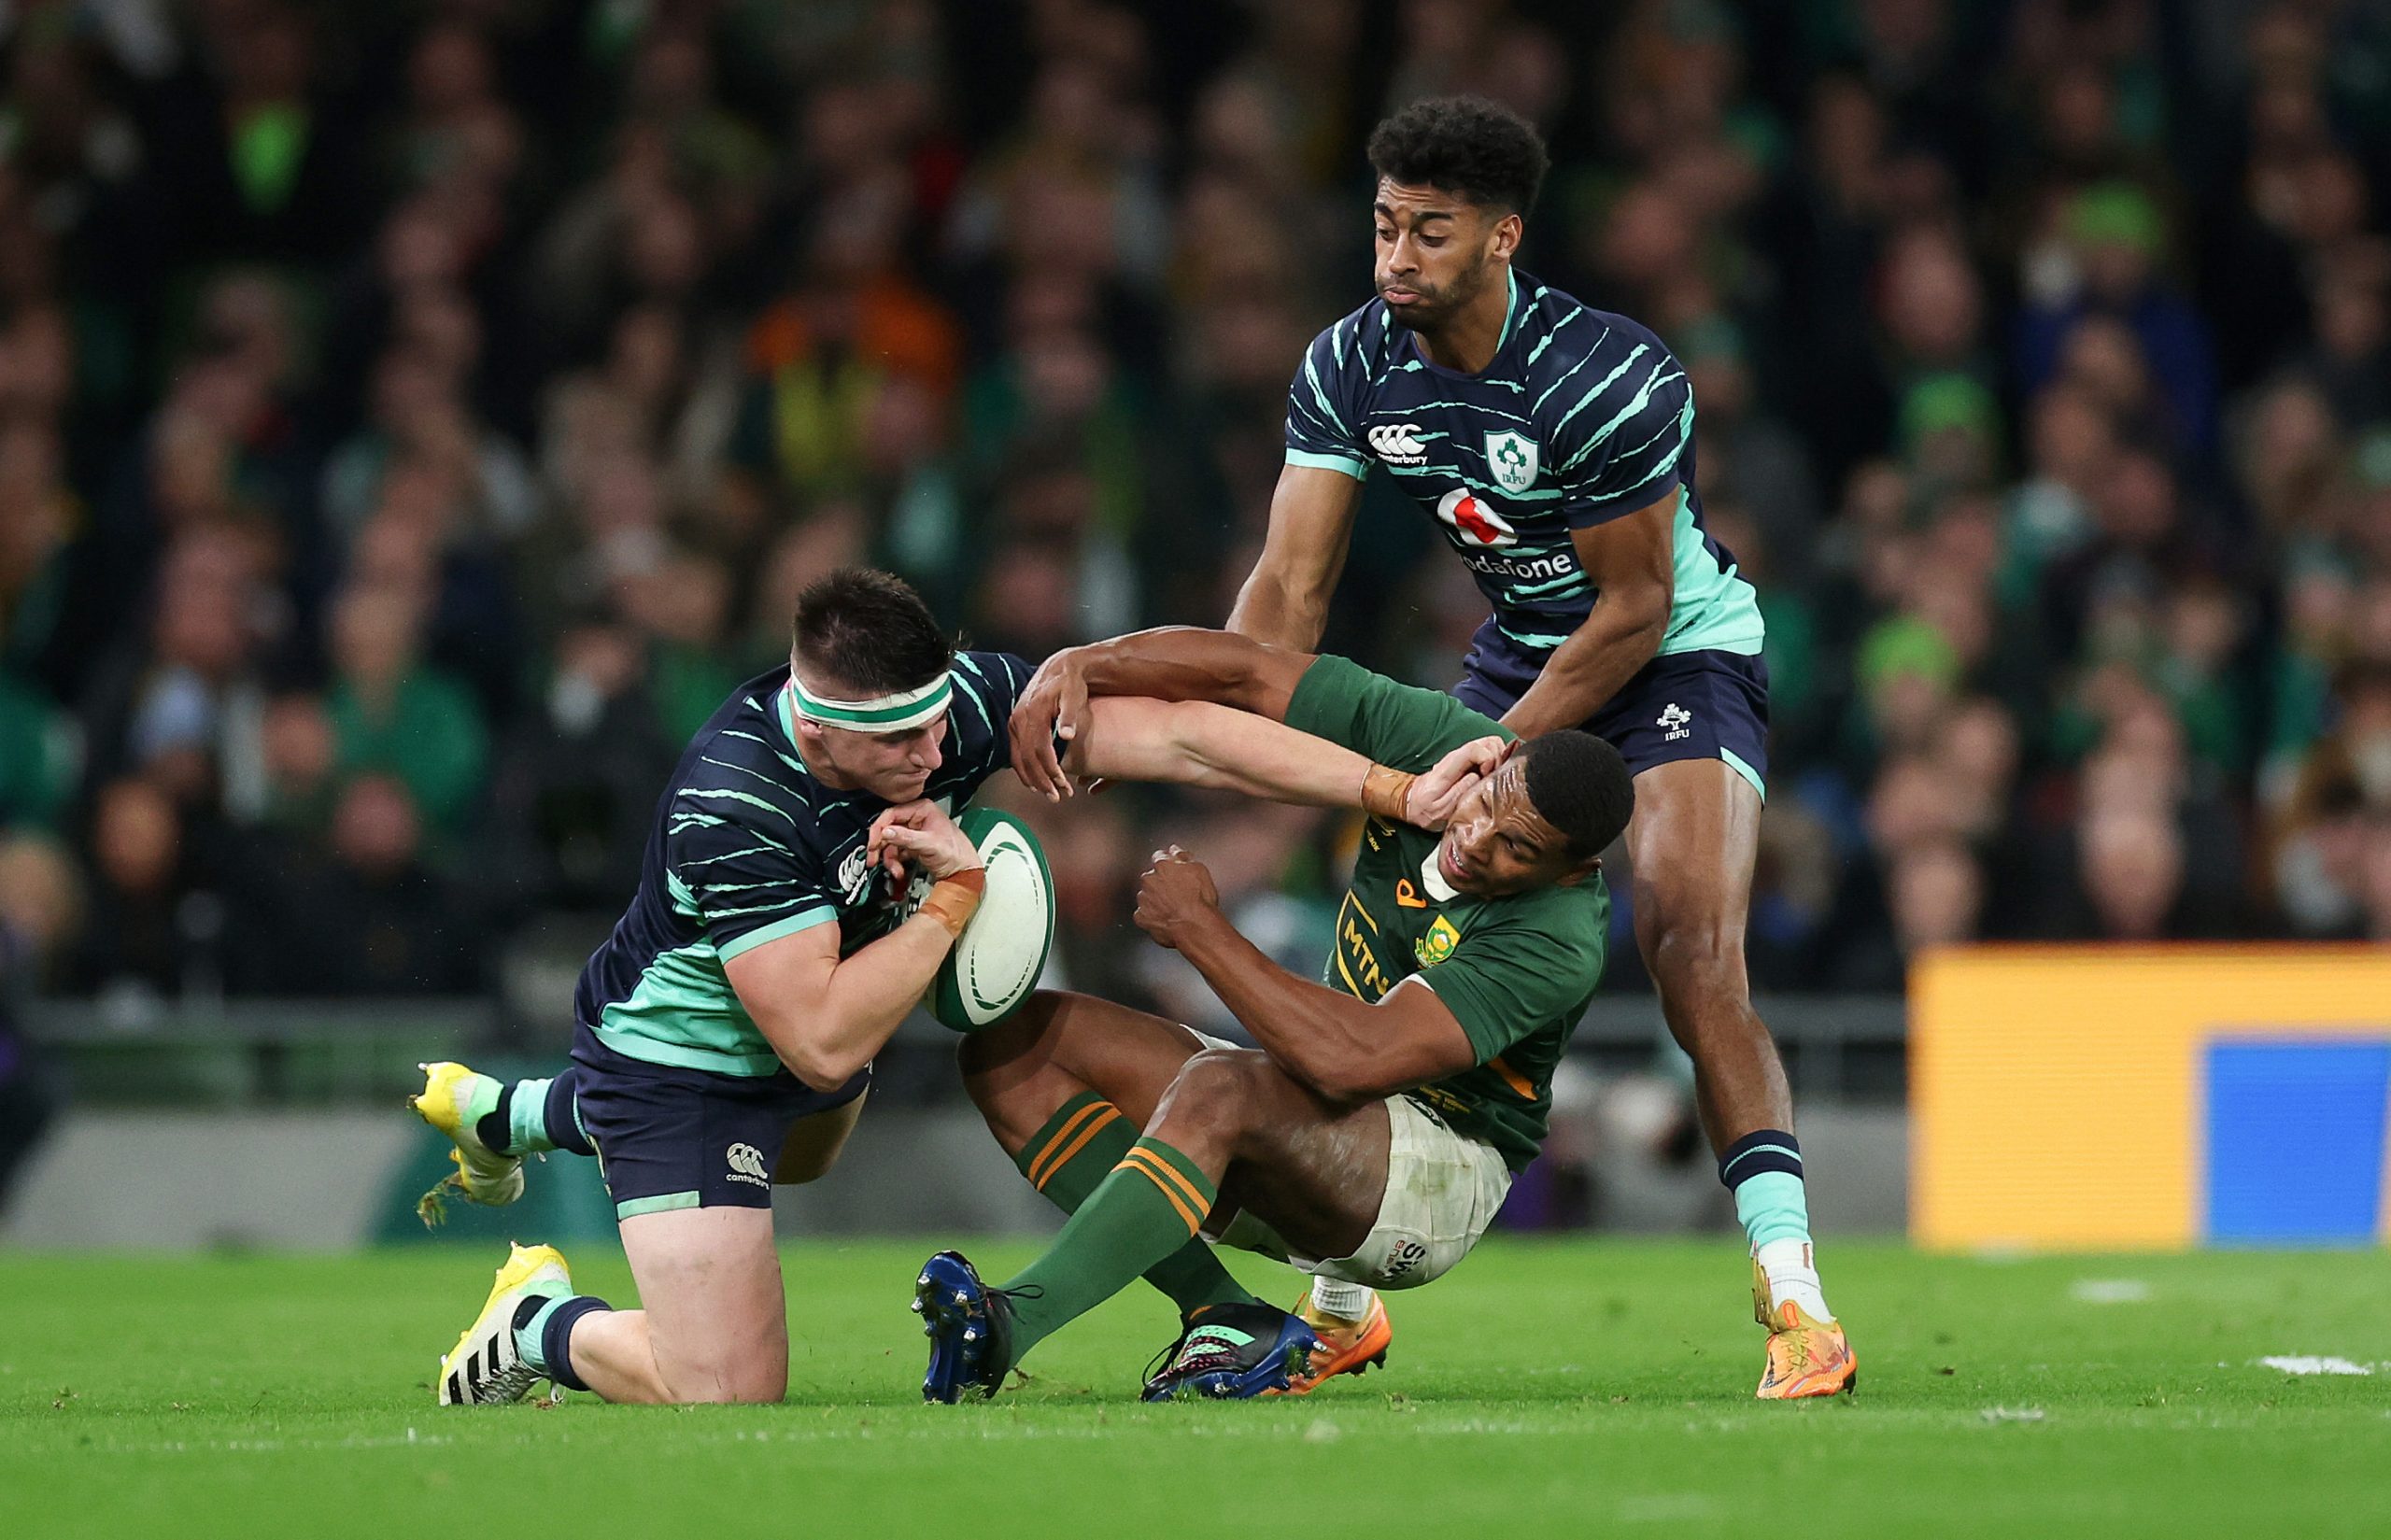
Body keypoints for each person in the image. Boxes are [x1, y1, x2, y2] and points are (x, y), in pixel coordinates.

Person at [414, 570, 1482, 1406]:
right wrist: (952, 895)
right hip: (684, 1066)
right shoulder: (733, 805)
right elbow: (823, 1043)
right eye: (899, 741)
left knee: (815, 1144)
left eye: (938, 725)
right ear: (814, 725)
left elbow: (1184, 735)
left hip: (809, 1035)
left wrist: (1390, 786)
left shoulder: (942, 710)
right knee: (725, 1387)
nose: (936, 755)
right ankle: (538, 1320)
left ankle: (511, 1112)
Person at [1207, 95, 1852, 1397]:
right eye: (1383, 227)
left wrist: (1492, 753)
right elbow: (1286, 592)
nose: (1395, 259)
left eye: (1429, 234)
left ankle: (1796, 1298)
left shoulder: (1603, 372)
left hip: (1675, 652)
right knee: (1392, 917)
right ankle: (1340, 1311)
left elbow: (1634, 609)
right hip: (1522, 648)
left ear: (1503, 237)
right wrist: (1219, 733)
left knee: (1686, 943)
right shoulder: (1350, 366)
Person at [913, 624, 1634, 1403]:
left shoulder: (1558, 937)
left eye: (1518, 848)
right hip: (1318, 1104)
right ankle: (1226, 1316)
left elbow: (1353, 1059)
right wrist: (1085, 665)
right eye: (1488, 803)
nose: (1474, 839)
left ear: (1574, 869)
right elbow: (1248, 673)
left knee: (1222, 1086)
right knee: (1013, 1046)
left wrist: (1201, 931)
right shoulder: (1440, 744)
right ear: (1497, 759)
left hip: (1440, 1168)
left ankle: (1009, 1321)